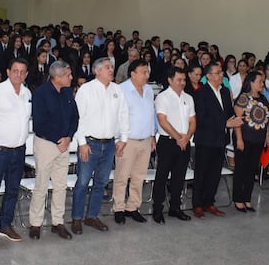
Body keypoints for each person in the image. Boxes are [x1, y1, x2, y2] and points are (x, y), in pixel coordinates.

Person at [71, 57, 130, 234]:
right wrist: (81, 143)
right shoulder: (86, 90)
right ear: (97, 71)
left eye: (112, 67)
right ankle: (76, 218)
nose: (111, 70)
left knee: (101, 182)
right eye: (107, 67)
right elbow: (78, 118)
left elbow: (123, 115)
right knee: (82, 182)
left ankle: (92, 216)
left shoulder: (117, 90)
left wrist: (124, 139)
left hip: (110, 143)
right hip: (90, 143)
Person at [0, 57, 31, 247]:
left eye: (22, 72)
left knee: (13, 189)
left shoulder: (27, 93)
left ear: (26, 74)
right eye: (15, 71)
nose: (18, 75)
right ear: (8, 72)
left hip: (19, 150)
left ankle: (6, 225)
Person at [28, 60, 78, 240]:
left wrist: (68, 137)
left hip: (64, 144)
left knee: (60, 185)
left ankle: (58, 222)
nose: (71, 77)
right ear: (57, 77)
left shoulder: (67, 92)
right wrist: (59, 139)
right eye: (68, 75)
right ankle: (35, 223)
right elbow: (40, 123)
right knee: (41, 184)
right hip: (46, 144)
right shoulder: (41, 94)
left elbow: (75, 117)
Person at [192, 62, 243, 218]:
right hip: (205, 139)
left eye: (221, 72)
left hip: (220, 139)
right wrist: (225, 123)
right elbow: (201, 118)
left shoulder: (225, 92)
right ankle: (197, 204)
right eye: (218, 72)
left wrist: (235, 121)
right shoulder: (201, 93)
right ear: (208, 76)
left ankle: (209, 202)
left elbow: (228, 113)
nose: (221, 75)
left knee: (215, 173)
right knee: (201, 172)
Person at [113, 59, 156, 224]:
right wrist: (119, 140)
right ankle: (118, 208)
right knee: (122, 176)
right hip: (127, 141)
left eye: (147, 71)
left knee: (139, 176)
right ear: (133, 73)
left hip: (145, 140)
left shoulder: (149, 90)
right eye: (144, 72)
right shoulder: (121, 90)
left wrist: (152, 136)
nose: (147, 75)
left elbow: (150, 114)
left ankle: (133, 207)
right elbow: (117, 117)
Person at [152, 66, 196, 224]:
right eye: (179, 80)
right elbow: (163, 121)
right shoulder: (163, 97)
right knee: (162, 176)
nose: (182, 83)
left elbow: (192, 121)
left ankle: (175, 208)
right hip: (168, 142)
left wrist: (187, 137)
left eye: (184, 80)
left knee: (179, 176)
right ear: (170, 80)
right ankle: (157, 209)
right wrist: (178, 137)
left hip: (184, 142)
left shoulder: (188, 98)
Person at [231, 71, 269, 211]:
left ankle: (247, 198)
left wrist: (267, 136)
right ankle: (238, 198)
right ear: (251, 82)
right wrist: (239, 139)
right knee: (241, 169)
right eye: (259, 81)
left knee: (252, 169)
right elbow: (237, 120)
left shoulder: (263, 98)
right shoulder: (243, 98)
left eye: (263, 82)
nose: (262, 84)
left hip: (258, 139)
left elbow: (267, 119)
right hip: (244, 138)